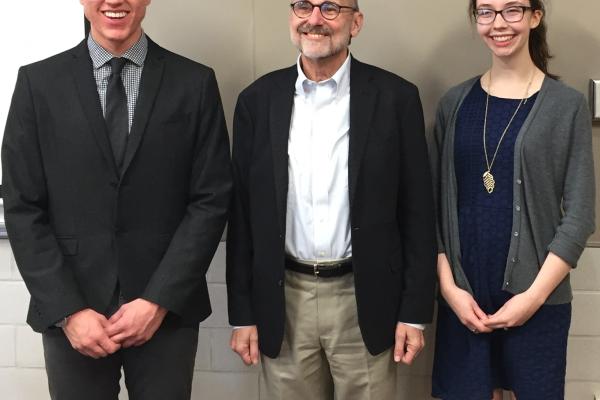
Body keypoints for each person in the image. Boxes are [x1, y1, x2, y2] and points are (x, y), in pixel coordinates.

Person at [1, 0, 232, 398]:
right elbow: (23, 206)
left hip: (166, 313)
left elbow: (210, 199)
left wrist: (158, 301)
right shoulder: (38, 83)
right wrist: (69, 311)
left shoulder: (193, 82)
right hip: (72, 312)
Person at [226, 0, 437, 398]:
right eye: (304, 6)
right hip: (284, 298)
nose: (315, 19)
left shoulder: (395, 98)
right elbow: (242, 217)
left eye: (330, 8)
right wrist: (242, 315)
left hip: (365, 298)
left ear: (355, 23)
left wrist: (414, 312)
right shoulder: (258, 101)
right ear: (292, 17)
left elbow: (418, 214)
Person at [430, 1, 595, 399]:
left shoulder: (566, 106)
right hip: (463, 299)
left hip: (538, 301)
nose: (498, 23)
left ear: (535, 17)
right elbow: (431, 210)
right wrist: (450, 290)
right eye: (486, 12)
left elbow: (580, 215)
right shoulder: (454, 104)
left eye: (513, 10)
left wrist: (532, 299)